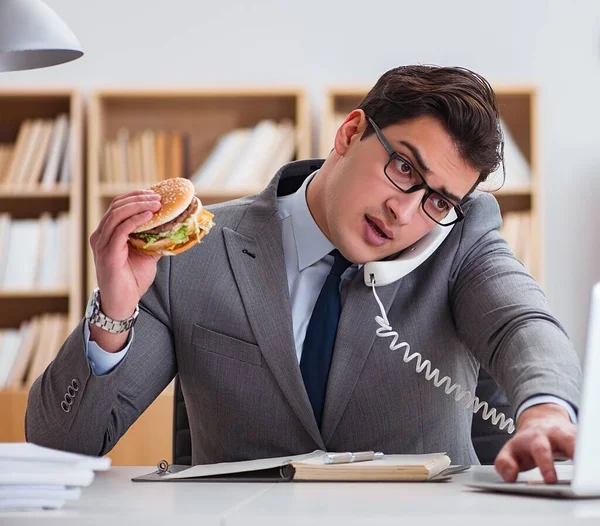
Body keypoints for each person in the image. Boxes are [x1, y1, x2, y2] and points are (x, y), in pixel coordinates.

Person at [25, 65, 581, 483]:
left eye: (438, 199)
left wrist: (545, 410)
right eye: (404, 167)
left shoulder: (458, 239)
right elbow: (59, 445)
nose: (406, 212)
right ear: (350, 132)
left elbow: (520, 321)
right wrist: (113, 315)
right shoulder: (197, 250)